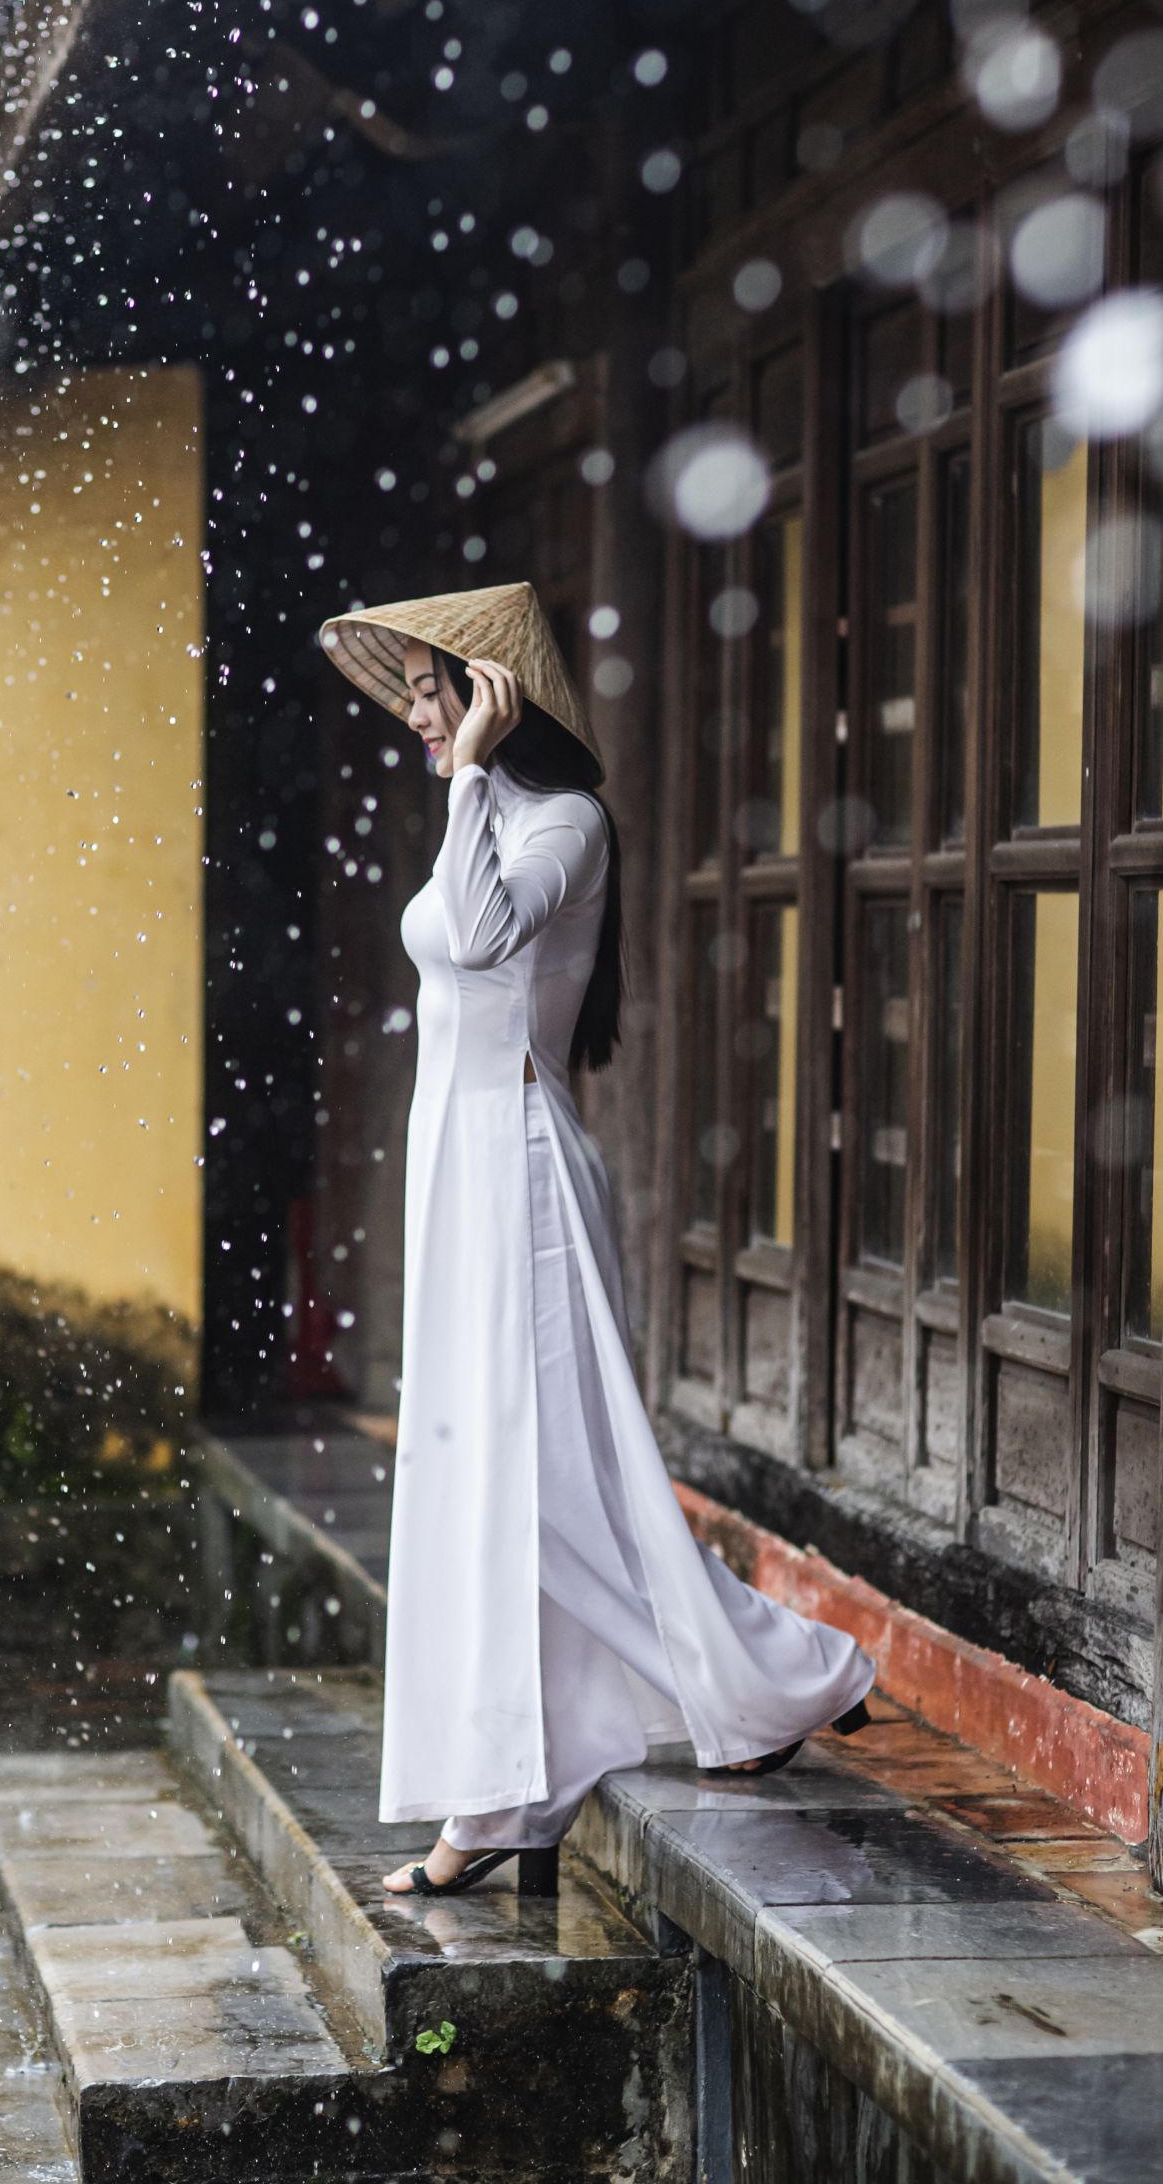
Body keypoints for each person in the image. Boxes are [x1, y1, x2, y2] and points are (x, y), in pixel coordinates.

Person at [316, 583, 875, 1900]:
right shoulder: (499, 814)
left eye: (427, 690)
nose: (411, 715)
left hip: (519, 1175)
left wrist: (463, 789)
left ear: (489, 693)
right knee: (485, 1478)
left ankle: (745, 1691)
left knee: (551, 1479)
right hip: (461, 1179)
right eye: (404, 692)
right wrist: (466, 789)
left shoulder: (564, 822)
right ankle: (527, 1783)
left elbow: (481, 935)